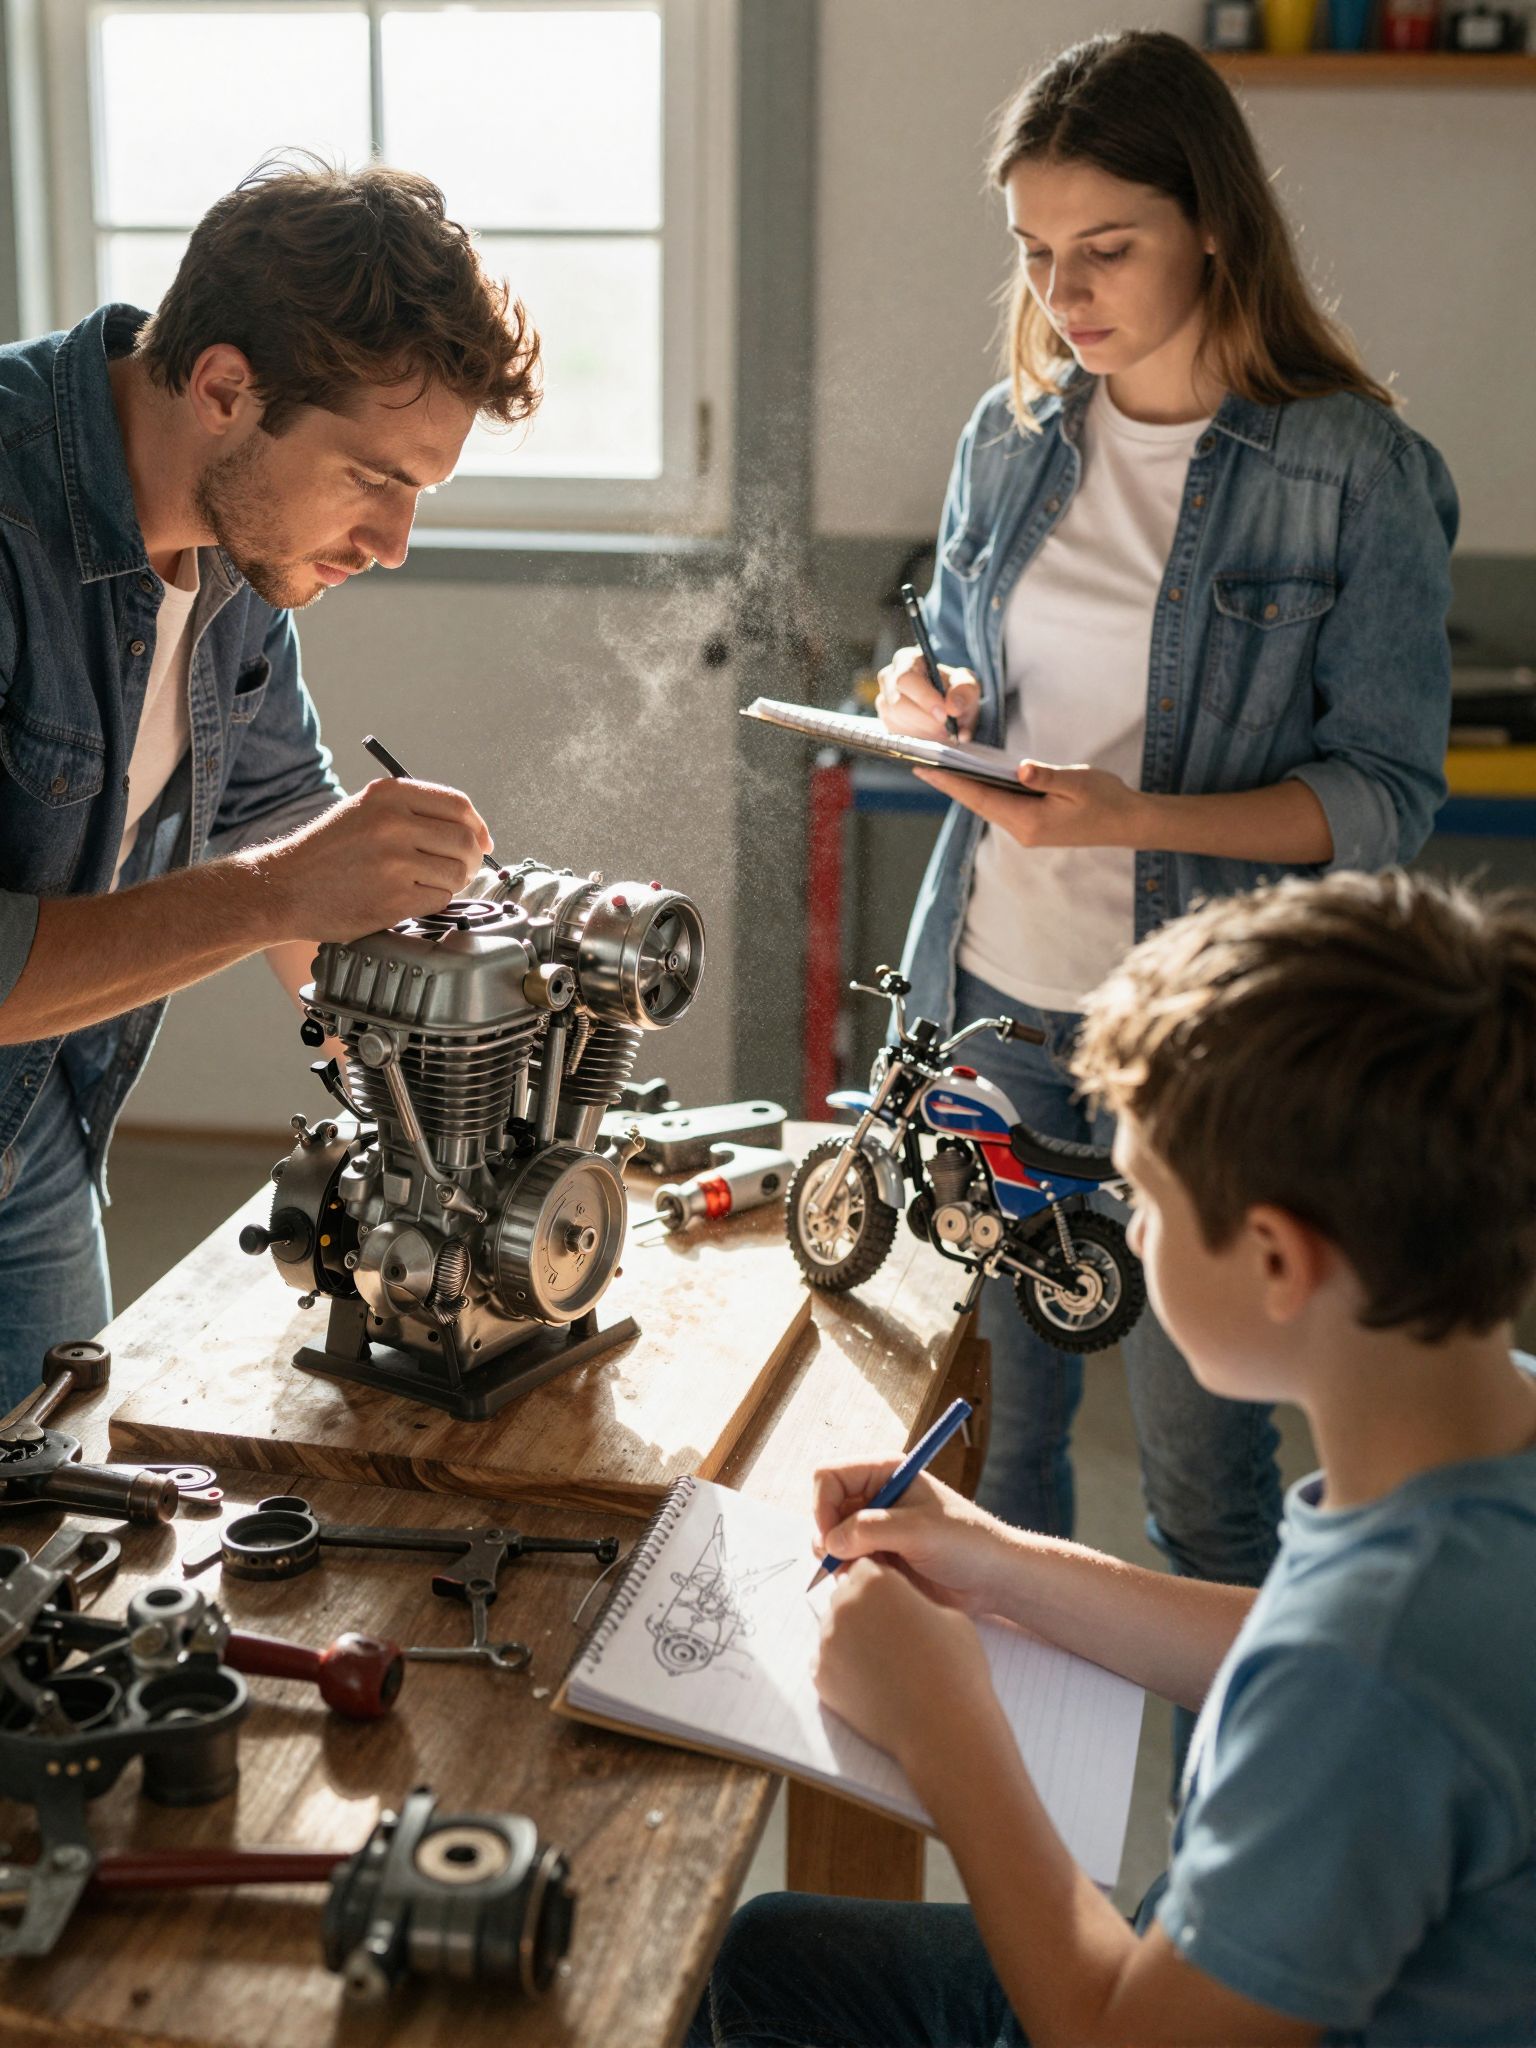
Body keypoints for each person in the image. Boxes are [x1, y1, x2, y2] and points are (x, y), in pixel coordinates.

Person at [690, 868, 1536, 2047]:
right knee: (770, 1954)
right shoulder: (1484, 1433)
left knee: (750, 1981)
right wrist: (999, 1562)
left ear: (1279, 1261)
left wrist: (946, 1729)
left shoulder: (1368, 1664)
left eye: (1141, 1196)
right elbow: (1281, 1634)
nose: (1125, 1230)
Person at [875, 30, 1458, 1630]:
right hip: (989, 1002)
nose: (1067, 293)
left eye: (1107, 249)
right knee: (996, 1455)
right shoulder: (1010, 439)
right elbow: (961, 654)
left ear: (1211, 221)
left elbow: (1387, 800)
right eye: (1038, 255)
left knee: (1206, 1490)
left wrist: (1144, 818)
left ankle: (1237, 1854)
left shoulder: (1354, 471)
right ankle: (1016, 1828)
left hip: (1199, 1052)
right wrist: (924, 694)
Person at [0, 158, 540, 1403]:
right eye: (374, 479)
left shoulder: (236, 553)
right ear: (226, 387)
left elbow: (290, 832)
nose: (394, 546)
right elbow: (283, 878)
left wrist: (441, 1054)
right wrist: (280, 891)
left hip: (32, 1134)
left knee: (47, 1530)